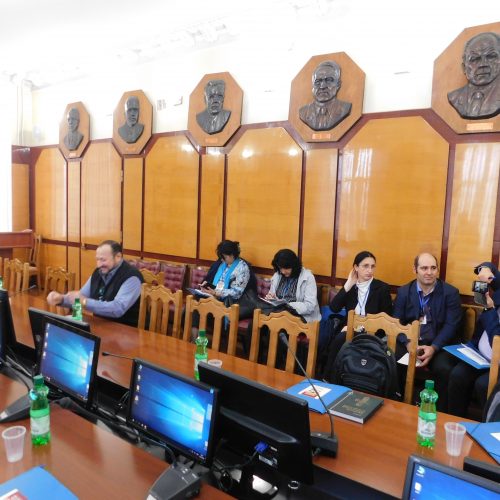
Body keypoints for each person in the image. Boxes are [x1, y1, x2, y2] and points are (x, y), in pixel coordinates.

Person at [393, 253, 462, 411]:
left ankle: (439, 411)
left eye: (433, 268)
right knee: (391, 357)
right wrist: (408, 343)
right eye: (424, 268)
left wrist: (434, 347)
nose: (429, 272)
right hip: (410, 342)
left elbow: (451, 325)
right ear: (415, 270)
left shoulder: (450, 293)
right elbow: (396, 322)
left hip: (439, 345)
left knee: (444, 368)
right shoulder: (404, 292)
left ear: (437, 270)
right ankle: (397, 403)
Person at [46, 240, 144, 326]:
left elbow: (118, 309)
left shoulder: (132, 277)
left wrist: (85, 302)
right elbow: (81, 297)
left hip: (127, 330)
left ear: (118, 257)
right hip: (101, 325)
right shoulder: (99, 272)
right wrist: (61, 299)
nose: (99, 264)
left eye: (103, 260)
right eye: (97, 259)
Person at [324, 251, 393, 372]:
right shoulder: (351, 287)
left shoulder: (382, 288)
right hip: (349, 329)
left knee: (341, 340)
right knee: (339, 340)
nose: (369, 270)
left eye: (372, 266)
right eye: (365, 266)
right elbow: (334, 308)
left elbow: (387, 319)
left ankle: (332, 377)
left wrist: (363, 329)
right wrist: (348, 285)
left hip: (373, 333)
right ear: (356, 267)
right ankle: (330, 378)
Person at [448, 262, 500, 417]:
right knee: (458, 375)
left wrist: (489, 309)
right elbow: (492, 271)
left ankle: (487, 427)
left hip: (497, 361)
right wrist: (485, 269)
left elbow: (496, 341)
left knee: (482, 385)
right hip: (480, 355)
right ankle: (454, 421)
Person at [447, 32, 500, 120]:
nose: (483, 64)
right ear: (464, 68)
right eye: (475, 59)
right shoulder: (454, 97)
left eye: (491, 57)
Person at [265, 249, 321, 323]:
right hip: (279, 314)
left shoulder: (308, 277)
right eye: (280, 268)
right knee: (260, 320)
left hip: (301, 316)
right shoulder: (278, 275)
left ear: (294, 266)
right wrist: (272, 299)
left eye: (286, 268)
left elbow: (310, 306)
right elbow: (273, 296)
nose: (283, 271)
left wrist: (287, 306)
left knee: (279, 323)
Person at [299, 60, 352, 131]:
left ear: (338, 85)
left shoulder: (345, 108)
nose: (322, 86)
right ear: (313, 85)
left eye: (328, 80)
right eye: (318, 81)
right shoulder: (303, 112)